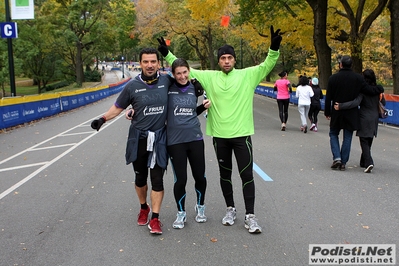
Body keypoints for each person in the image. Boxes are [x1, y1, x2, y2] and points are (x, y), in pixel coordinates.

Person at [157, 25, 282, 234]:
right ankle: (230, 209)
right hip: (219, 136)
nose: (226, 61)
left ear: (234, 60)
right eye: (223, 58)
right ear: (219, 60)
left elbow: (267, 64)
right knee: (225, 175)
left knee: (246, 175)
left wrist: (274, 48)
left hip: (242, 135)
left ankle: (250, 215)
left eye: (229, 58)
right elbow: (184, 69)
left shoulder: (248, 75)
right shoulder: (209, 77)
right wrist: (167, 53)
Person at [91, 48, 173, 235]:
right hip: (139, 138)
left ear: (158, 64)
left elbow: (184, 82)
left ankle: (155, 219)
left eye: (153, 61)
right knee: (140, 178)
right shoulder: (132, 86)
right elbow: (118, 107)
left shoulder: (167, 81)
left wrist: (196, 88)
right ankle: (144, 207)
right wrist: (102, 119)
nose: (150, 65)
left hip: (159, 138)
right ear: (140, 64)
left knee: (158, 180)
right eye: (146, 62)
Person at [126, 58, 211, 229]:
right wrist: (133, 110)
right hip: (175, 142)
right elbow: (151, 101)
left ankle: (200, 207)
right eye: (178, 73)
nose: (182, 76)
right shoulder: (168, 87)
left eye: (185, 72)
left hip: (195, 139)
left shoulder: (195, 87)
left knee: (199, 177)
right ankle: (181, 213)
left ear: (189, 72)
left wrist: (202, 108)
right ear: (173, 74)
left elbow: (191, 112)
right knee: (181, 179)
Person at [324, 55, 383, 171]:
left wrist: (327, 111)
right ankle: (343, 162)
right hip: (351, 113)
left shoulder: (333, 78)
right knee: (348, 137)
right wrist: (380, 88)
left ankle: (337, 157)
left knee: (333, 134)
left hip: (337, 110)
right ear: (351, 65)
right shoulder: (358, 78)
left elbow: (328, 97)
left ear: (341, 64)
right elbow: (369, 90)